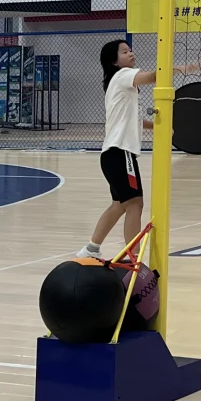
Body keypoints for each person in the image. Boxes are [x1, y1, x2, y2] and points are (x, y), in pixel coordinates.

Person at [77, 40, 155, 259]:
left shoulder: (118, 84)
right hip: (121, 153)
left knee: (119, 205)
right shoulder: (122, 76)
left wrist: (158, 126)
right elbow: (151, 77)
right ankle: (133, 260)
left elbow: (134, 120)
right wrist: (174, 68)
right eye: (124, 51)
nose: (131, 53)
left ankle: (91, 249)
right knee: (135, 204)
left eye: (130, 50)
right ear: (114, 61)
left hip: (112, 154)